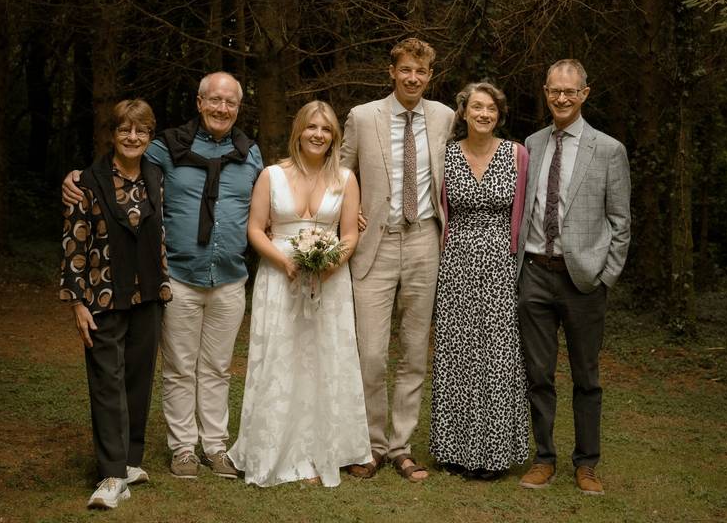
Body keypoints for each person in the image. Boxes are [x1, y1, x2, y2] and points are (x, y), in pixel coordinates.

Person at [63, 72, 263, 480]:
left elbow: (271, 204)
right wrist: (73, 180)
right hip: (180, 277)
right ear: (199, 102)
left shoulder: (251, 154)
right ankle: (183, 447)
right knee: (179, 367)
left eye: (230, 103)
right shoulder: (165, 149)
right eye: (215, 100)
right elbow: (119, 167)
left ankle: (215, 445)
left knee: (218, 367)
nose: (222, 109)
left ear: (238, 108)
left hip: (229, 277)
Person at [227, 101, 371, 487]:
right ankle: (278, 447)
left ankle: (326, 447)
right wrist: (285, 262)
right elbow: (256, 230)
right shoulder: (271, 175)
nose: (318, 135)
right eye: (311, 127)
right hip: (280, 277)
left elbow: (350, 234)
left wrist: (331, 263)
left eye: (326, 129)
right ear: (298, 131)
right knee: (281, 357)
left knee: (326, 359)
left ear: (334, 137)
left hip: (329, 280)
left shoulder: (345, 178)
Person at [340, 38, 455, 482]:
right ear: (392, 71)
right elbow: (341, 173)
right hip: (376, 243)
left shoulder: (445, 117)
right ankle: (370, 445)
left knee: (412, 353)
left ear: (430, 75)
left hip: (425, 240)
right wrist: (350, 215)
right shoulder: (364, 116)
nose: (412, 78)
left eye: (420, 72)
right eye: (405, 70)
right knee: (370, 354)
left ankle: (402, 446)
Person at [515, 59, 631, 495]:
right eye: (554, 91)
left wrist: (606, 277)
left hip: (584, 281)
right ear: (545, 91)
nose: (561, 98)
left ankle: (587, 464)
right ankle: (544, 458)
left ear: (585, 93)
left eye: (570, 91)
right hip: (535, 276)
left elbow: (621, 222)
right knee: (538, 374)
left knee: (587, 376)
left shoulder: (608, 150)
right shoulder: (531, 144)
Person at [59, 99, 173, 510]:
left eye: (141, 131)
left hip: (148, 295)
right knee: (107, 382)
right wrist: (76, 301)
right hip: (102, 297)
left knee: (138, 380)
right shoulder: (87, 180)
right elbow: (74, 241)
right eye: (125, 130)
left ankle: (130, 461)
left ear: (149, 136)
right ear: (112, 134)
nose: (133, 137)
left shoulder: (155, 177)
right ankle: (110, 474)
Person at [430, 82, 530, 479]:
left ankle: (494, 453)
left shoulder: (516, 154)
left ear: (499, 115)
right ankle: (454, 450)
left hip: (501, 267)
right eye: (476, 107)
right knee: (457, 354)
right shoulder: (446, 156)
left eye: (491, 108)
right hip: (455, 265)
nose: (484, 113)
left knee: (497, 357)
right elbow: (434, 208)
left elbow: (525, 213)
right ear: (464, 113)